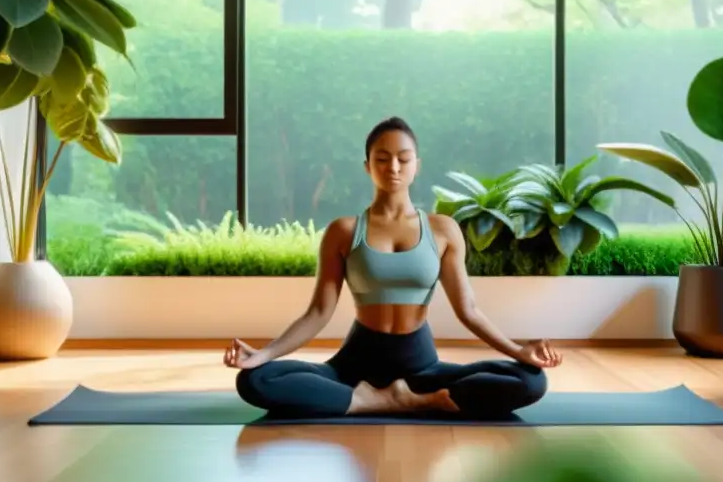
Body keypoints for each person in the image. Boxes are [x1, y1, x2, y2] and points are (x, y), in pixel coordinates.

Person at [224, 116, 561, 418]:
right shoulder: (343, 231)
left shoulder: (443, 230)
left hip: (421, 366)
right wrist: (263, 353)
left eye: (403, 158)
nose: (394, 168)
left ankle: (384, 399)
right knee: (256, 379)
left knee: (530, 380)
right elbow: (318, 312)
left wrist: (519, 351)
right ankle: (385, 401)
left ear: (417, 164)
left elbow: (468, 310)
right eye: (382, 159)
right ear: (367, 166)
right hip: (355, 366)